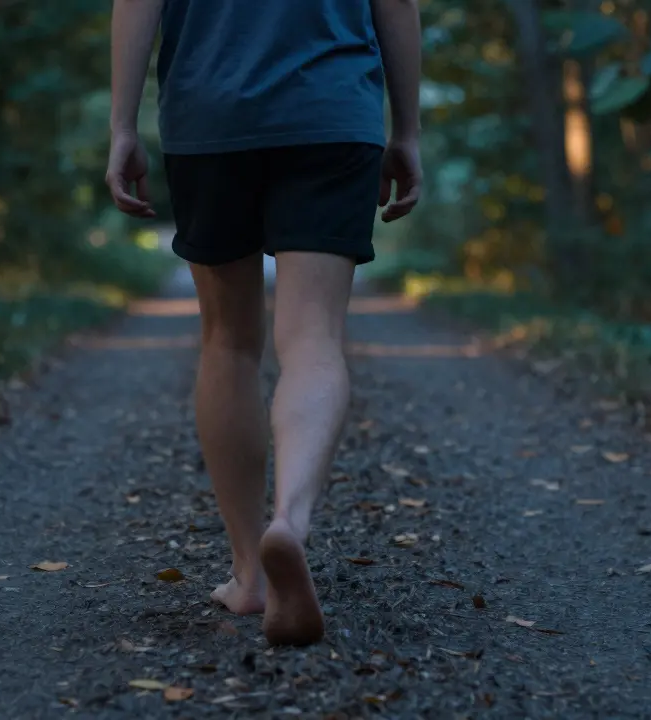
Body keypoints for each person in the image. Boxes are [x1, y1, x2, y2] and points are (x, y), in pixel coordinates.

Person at [106, 0, 423, 646]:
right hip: (333, 111)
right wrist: (408, 130)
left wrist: (121, 126)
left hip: (210, 111)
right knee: (312, 338)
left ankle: (250, 573)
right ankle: (291, 522)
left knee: (228, 341)